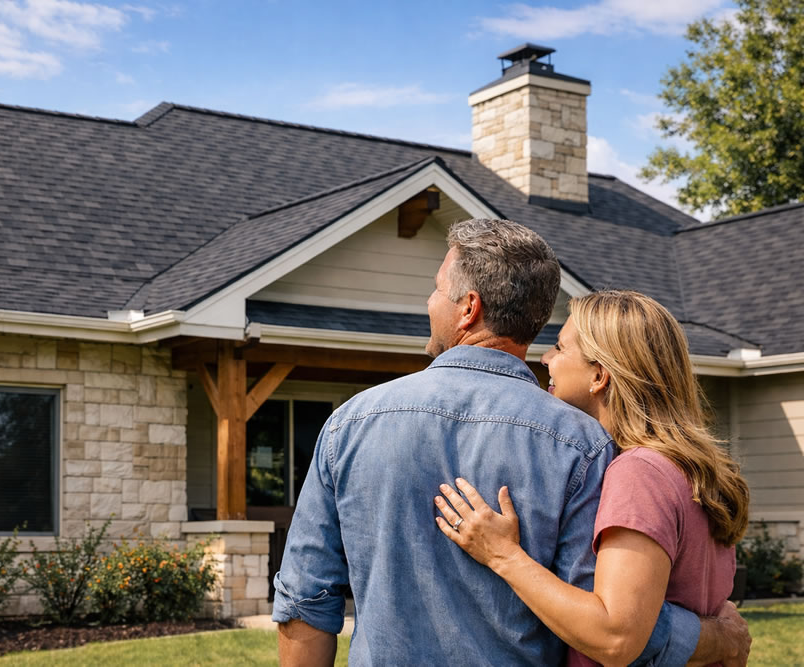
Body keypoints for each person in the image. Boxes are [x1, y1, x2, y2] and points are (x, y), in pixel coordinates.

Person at [273, 219, 747, 666]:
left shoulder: (349, 424)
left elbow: (306, 596)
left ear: (469, 308)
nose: (428, 302)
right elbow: (601, 616)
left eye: (438, 289)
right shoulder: (584, 445)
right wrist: (709, 635)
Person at [434, 290, 752, 666]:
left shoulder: (640, 473)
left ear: (599, 375)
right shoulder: (688, 469)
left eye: (560, 347)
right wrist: (719, 640)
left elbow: (614, 636)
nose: (545, 357)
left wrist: (503, 555)